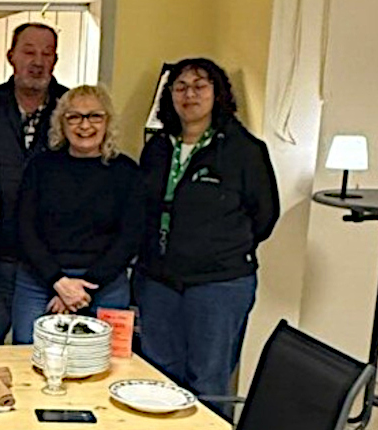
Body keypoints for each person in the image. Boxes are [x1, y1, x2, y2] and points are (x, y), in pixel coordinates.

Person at [136, 58, 279, 418]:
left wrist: (218, 246)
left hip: (218, 283)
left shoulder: (244, 150)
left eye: (200, 86)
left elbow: (264, 216)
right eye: (180, 87)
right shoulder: (158, 148)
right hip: (158, 281)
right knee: (157, 376)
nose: (190, 95)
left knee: (208, 380)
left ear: (218, 94)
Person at [11, 85, 141, 344]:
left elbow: (130, 236)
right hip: (41, 278)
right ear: (61, 123)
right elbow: (24, 229)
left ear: (108, 122)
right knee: (29, 357)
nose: (85, 125)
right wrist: (58, 282)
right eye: (74, 117)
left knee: (104, 361)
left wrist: (82, 289)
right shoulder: (40, 167)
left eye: (95, 116)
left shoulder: (126, 171)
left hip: (105, 283)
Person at [0, 22, 70, 345]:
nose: (37, 62)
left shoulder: (69, 107)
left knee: (39, 347)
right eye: (29, 52)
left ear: (55, 60)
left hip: (49, 254)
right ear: (11, 56)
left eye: (47, 54)